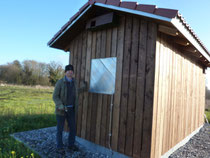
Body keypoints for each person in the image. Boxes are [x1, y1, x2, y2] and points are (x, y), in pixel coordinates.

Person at [53, 64, 87, 154]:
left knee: (73, 128)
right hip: (61, 110)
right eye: (68, 71)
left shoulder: (74, 82)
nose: (70, 72)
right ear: (65, 72)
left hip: (71, 110)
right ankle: (59, 146)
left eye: (71, 71)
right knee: (60, 129)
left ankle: (71, 145)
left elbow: (76, 92)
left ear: (73, 72)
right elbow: (55, 96)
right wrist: (60, 105)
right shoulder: (60, 82)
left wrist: (84, 88)